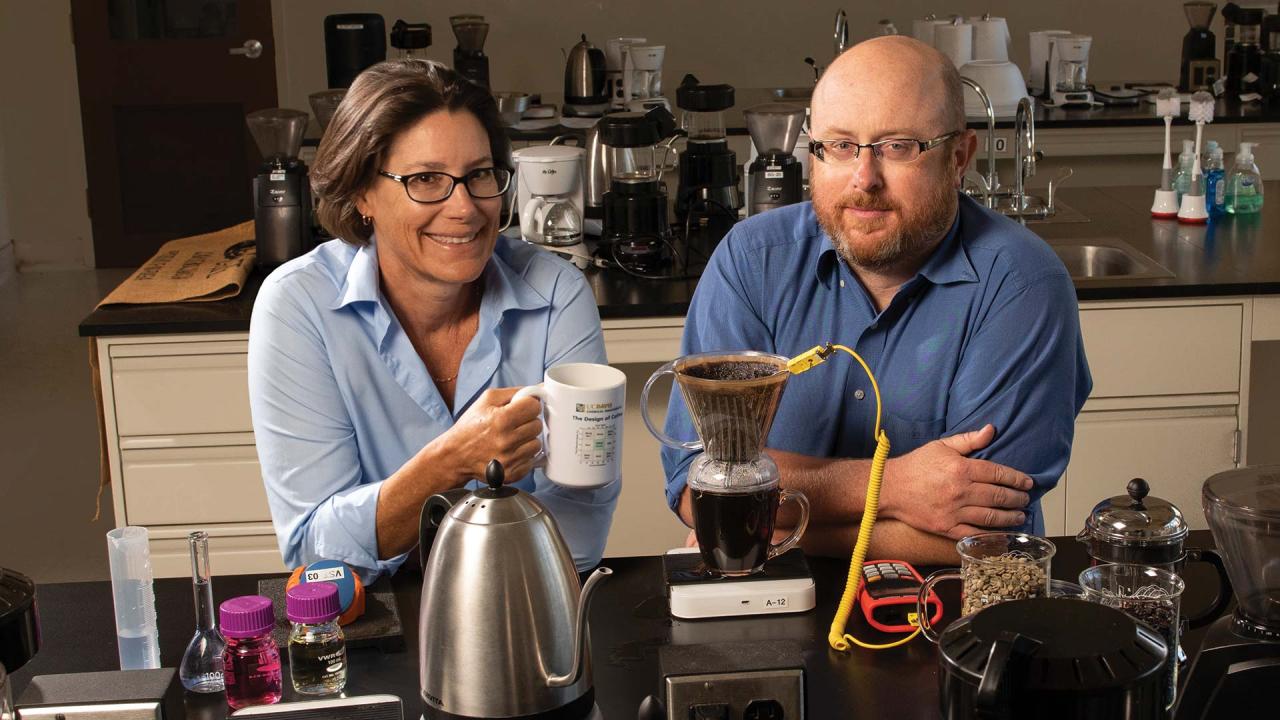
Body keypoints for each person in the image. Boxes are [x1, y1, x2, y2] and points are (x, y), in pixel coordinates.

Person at [661, 36, 1092, 562]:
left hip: (954, 617)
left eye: (898, 146)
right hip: (763, 610)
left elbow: (990, 537)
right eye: (840, 146)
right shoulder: (752, 261)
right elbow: (695, 487)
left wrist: (756, 531)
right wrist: (894, 486)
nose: (865, 179)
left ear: (959, 156)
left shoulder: (1022, 284)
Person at [248, 59, 619, 581]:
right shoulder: (299, 305)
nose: (465, 207)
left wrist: (407, 526)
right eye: (425, 179)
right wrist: (452, 462)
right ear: (361, 194)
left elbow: (580, 534)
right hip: (377, 625)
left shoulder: (556, 292)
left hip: (528, 611)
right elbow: (316, 552)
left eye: (479, 175)